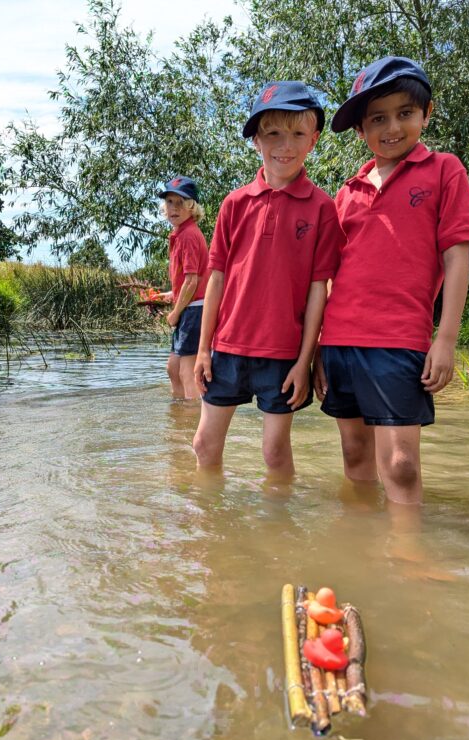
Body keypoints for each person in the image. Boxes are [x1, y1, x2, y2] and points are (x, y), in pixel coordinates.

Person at [314, 56, 469, 504]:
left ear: (426, 114)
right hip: (340, 342)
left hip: (399, 339)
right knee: (353, 452)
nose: (392, 127)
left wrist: (445, 340)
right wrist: (318, 352)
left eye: (404, 113)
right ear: (361, 130)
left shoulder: (445, 171)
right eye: (377, 118)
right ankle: (363, 551)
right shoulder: (346, 192)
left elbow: (456, 258)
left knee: (402, 465)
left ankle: (409, 561)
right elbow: (330, 277)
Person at [192, 82, 343, 479]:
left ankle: (279, 536)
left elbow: (318, 291)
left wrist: (305, 361)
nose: (285, 145)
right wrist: (204, 348)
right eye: (273, 133)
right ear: (257, 140)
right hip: (226, 347)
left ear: (313, 139)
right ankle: (208, 533)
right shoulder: (234, 204)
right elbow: (216, 278)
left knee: (275, 453)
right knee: (204, 444)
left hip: (282, 355)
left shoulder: (323, 208)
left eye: (297, 134)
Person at [158, 176, 210, 399]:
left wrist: (175, 313)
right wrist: (172, 294)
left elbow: (192, 281)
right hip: (191, 306)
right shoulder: (181, 233)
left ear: (192, 207)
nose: (174, 208)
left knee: (187, 372)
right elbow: (188, 280)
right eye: (170, 202)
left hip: (194, 310)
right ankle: (178, 418)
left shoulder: (188, 235)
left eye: (181, 203)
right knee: (173, 369)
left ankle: (192, 424)